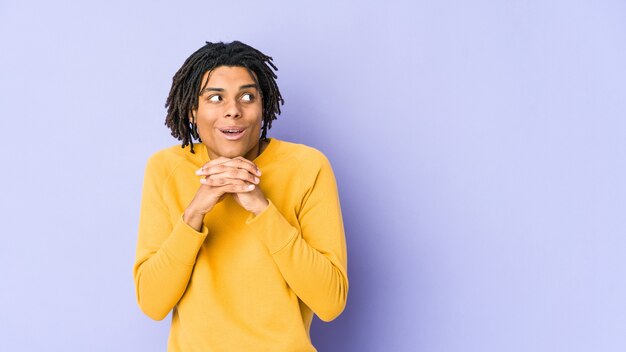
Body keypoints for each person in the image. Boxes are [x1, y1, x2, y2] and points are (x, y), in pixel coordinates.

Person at [133, 41, 349, 351]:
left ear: (264, 106)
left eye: (247, 97)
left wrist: (262, 208)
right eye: (215, 98)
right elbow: (153, 304)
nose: (233, 110)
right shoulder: (164, 168)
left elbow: (330, 303)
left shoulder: (307, 167)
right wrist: (194, 214)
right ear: (192, 110)